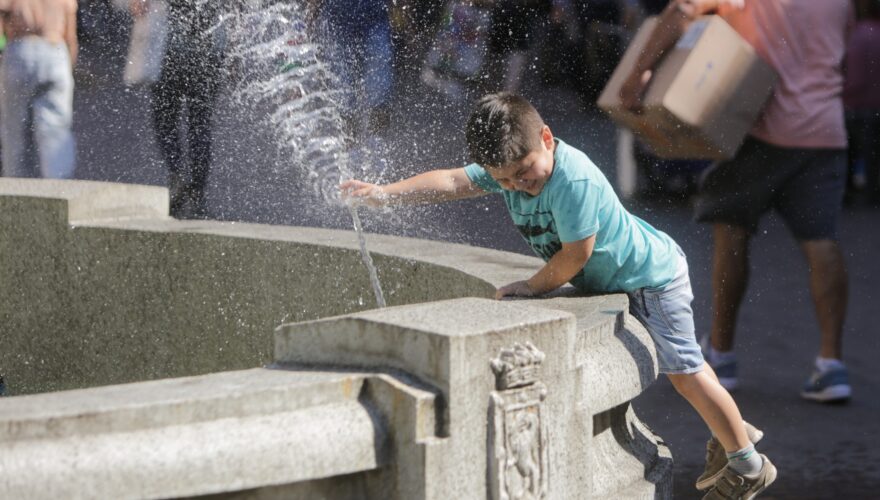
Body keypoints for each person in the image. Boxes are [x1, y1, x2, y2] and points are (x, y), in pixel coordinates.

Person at [342, 92, 776, 499]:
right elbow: (455, 180)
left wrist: (531, 286)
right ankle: (733, 431)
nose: (517, 187)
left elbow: (575, 256)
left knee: (685, 372)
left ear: (546, 138)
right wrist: (384, 195)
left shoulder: (574, 180)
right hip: (630, 276)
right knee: (687, 370)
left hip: (652, 279)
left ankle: (748, 465)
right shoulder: (512, 169)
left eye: (524, 173)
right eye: (504, 181)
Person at [620, 0, 854, 404]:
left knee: (731, 232)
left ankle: (722, 356)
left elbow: (681, 9)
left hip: (758, 128)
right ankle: (831, 364)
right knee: (821, 241)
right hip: (824, 130)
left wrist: (638, 73)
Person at [136, 0, 225, 218]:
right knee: (200, 122)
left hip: (173, 49)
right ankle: (197, 193)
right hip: (209, 49)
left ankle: (178, 172)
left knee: (164, 117)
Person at [0, 0, 78, 179]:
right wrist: (69, 66)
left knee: (14, 131)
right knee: (56, 129)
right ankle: (58, 189)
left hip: (20, 49)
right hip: (56, 50)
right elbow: (71, 36)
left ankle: (15, 191)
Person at [843, 0, 880, 203]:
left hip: (859, 107)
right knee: (874, 157)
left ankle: (851, 193)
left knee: (852, 150)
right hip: (876, 106)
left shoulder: (859, 35)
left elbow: (855, 80)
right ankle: (873, 193)